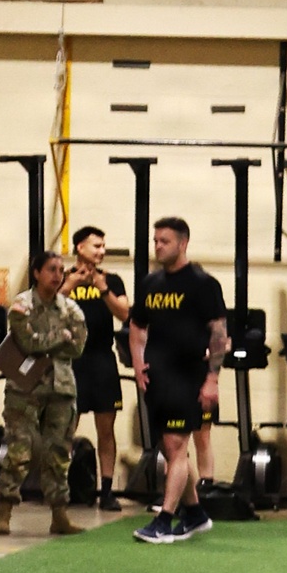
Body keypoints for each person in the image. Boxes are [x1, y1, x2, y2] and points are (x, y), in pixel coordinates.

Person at [129, 217, 227, 544]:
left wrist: (212, 379)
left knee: (176, 445)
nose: (158, 246)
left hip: (189, 376)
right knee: (169, 447)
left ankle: (165, 519)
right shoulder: (149, 284)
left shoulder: (203, 284)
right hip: (158, 376)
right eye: (155, 240)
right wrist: (138, 362)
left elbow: (218, 334)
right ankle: (196, 513)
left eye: (165, 241)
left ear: (183, 243)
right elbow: (137, 327)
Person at [0, 251, 88, 537]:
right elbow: (26, 342)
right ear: (36, 273)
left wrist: (46, 342)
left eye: (61, 270)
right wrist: (60, 337)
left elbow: (77, 348)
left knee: (58, 452)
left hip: (61, 388)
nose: (58, 275)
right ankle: (5, 510)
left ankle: (59, 514)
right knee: (19, 450)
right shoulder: (21, 306)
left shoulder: (72, 309)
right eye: (51, 269)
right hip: (26, 388)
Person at [59, 225, 130, 510]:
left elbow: (125, 313)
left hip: (102, 360)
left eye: (103, 246)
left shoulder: (112, 280)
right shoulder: (63, 278)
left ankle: (108, 490)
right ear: (79, 248)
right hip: (71, 362)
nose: (101, 251)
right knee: (65, 429)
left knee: (106, 430)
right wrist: (70, 285)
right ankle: (60, 490)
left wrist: (102, 289)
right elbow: (46, 307)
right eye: (96, 246)